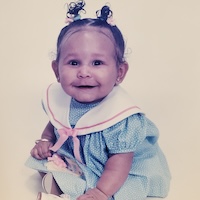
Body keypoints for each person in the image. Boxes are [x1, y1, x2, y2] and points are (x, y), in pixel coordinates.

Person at [25, 1, 171, 200]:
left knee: (119, 190)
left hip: (117, 168)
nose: (84, 72)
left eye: (97, 63)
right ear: (56, 70)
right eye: (74, 62)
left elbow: (120, 160)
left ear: (120, 72)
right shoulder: (60, 97)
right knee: (45, 159)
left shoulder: (121, 115)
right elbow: (57, 120)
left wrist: (100, 192)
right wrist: (46, 139)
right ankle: (61, 188)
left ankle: (85, 190)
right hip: (81, 157)